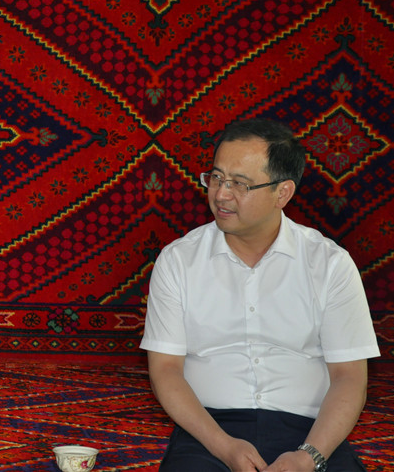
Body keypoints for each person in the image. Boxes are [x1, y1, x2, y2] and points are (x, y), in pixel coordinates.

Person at [140, 118, 380, 472]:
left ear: (282, 193)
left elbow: (349, 377)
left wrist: (309, 457)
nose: (221, 194)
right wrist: (224, 447)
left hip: (310, 430)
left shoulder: (330, 264)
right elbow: (165, 370)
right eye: (216, 178)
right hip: (209, 429)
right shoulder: (178, 260)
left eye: (239, 184)